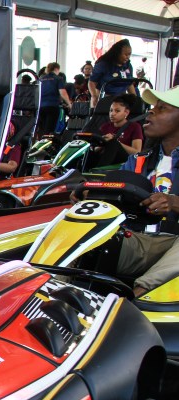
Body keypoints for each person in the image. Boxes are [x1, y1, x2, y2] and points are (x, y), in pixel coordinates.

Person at [109, 86, 179, 298]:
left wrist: (174, 202)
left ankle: (135, 301)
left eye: (162, 108)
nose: (151, 111)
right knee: (85, 233)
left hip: (173, 242)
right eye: (152, 107)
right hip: (137, 239)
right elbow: (115, 188)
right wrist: (89, 194)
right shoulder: (138, 161)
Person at [93, 93, 143, 166]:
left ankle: (98, 171)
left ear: (126, 112)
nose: (112, 114)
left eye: (117, 111)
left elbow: (136, 152)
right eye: (111, 110)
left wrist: (115, 141)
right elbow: (95, 149)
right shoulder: (104, 127)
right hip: (103, 157)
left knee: (113, 143)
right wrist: (103, 143)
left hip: (124, 161)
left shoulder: (135, 127)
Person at [89, 39, 135, 109]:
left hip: (121, 101)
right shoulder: (103, 64)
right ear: (118, 53)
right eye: (125, 54)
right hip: (104, 99)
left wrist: (135, 98)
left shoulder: (128, 66)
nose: (128, 57)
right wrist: (94, 96)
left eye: (129, 54)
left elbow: (129, 84)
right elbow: (92, 82)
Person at [37, 62, 72, 138]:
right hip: (52, 106)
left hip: (40, 107)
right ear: (56, 69)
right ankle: (47, 146)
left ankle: (40, 144)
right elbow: (62, 92)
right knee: (50, 129)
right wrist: (69, 103)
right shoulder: (58, 79)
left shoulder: (40, 79)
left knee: (42, 128)